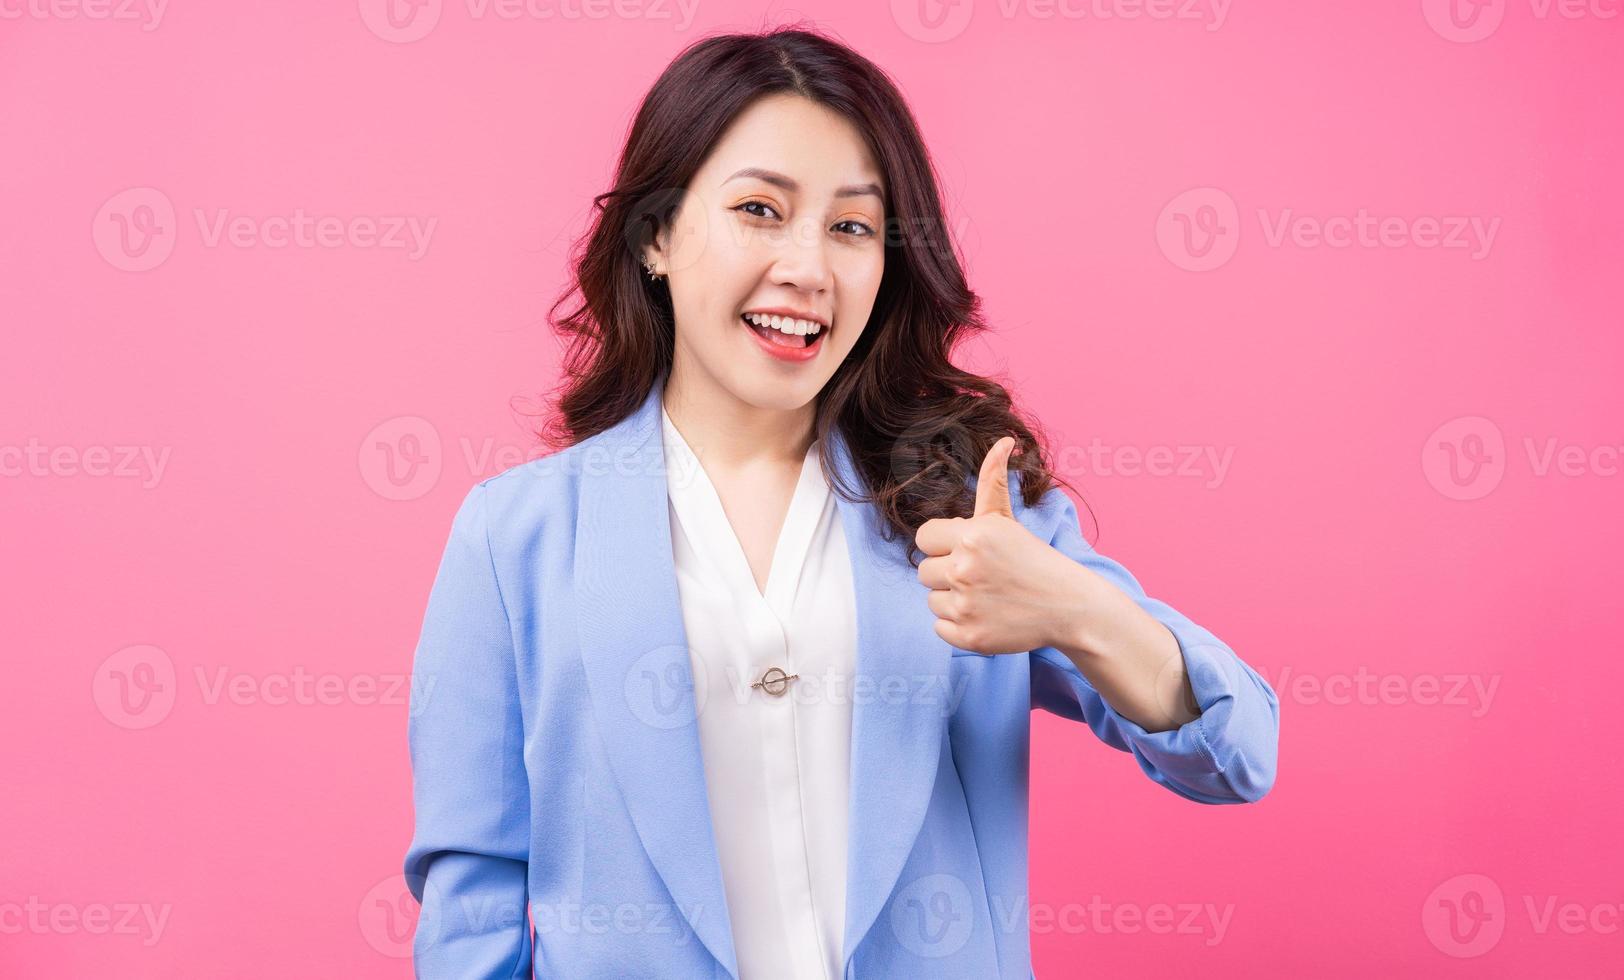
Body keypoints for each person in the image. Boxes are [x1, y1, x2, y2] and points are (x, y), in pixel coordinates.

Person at [403, 24, 1279, 980]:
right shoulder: (515, 537)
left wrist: (1074, 608)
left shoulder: (964, 501)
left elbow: (1237, 754)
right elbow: (475, 892)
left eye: (852, 226)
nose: (809, 269)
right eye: (759, 210)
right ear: (656, 234)